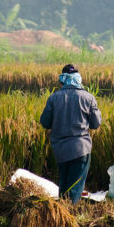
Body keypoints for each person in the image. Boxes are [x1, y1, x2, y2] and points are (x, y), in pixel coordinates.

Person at [39, 64, 102, 204]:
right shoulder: (88, 98)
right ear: (78, 79)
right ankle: (70, 214)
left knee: (64, 184)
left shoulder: (54, 98)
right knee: (75, 187)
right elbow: (96, 124)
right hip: (81, 149)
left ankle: (62, 214)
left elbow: (45, 122)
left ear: (63, 79)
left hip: (61, 149)